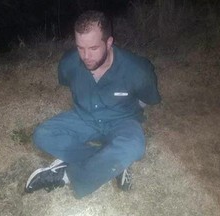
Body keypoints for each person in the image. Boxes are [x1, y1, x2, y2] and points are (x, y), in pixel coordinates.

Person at [25, 10, 161, 199]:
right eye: (81, 48)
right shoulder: (69, 63)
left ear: (109, 42)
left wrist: (126, 110)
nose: (86, 56)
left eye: (94, 48)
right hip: (84, 117)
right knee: (43, 135)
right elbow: (67, 82)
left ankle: (66, 175)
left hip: (122, 122)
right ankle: (114, 164)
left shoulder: (138, 69)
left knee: (134, 146)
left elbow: (147, 100)